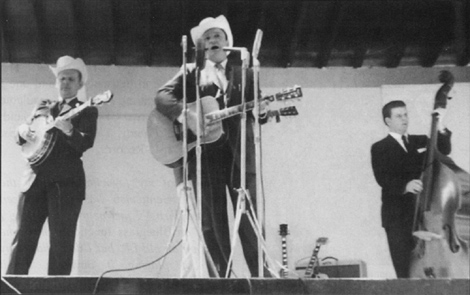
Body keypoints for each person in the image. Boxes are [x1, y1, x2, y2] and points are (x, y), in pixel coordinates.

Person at [155, 15, 267, 277]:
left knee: (248, 216)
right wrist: (186, 114)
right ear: (201, 47)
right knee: (212, 222)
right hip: (204, 155)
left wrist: (262, 111)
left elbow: (258, 109)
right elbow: (162, 96)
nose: (212, 40)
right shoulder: (192, 72)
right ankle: (221, 279)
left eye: (217, 35)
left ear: (227, 42)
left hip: (240, 154)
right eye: (206, 38)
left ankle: (261, 277)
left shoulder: (246, 71)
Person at [6, 56, 98, 275]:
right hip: (34, 180)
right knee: (22, 239)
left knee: (61, 244)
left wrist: (69, 130)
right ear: (56, 82)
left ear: (80, 84)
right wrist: (21, 131)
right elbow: (24, 136)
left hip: (65, 185)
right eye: (62, 78)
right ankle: (10, 287)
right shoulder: (43, 105)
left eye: (70, 79)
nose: (65, 83)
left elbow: (86, 142)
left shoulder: (87, 110)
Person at [370, 100, 452, 278]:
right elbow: (382, 178)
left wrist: (441, 124)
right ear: (388, 121)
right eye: (399, 116)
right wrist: (405, 186)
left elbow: (444, 149)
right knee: (405, 271)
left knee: (427, 270)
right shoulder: (380, 147)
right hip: (397, 218)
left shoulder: (417, 141)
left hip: (421, 213)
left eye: (406, 114)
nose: (404, 119)